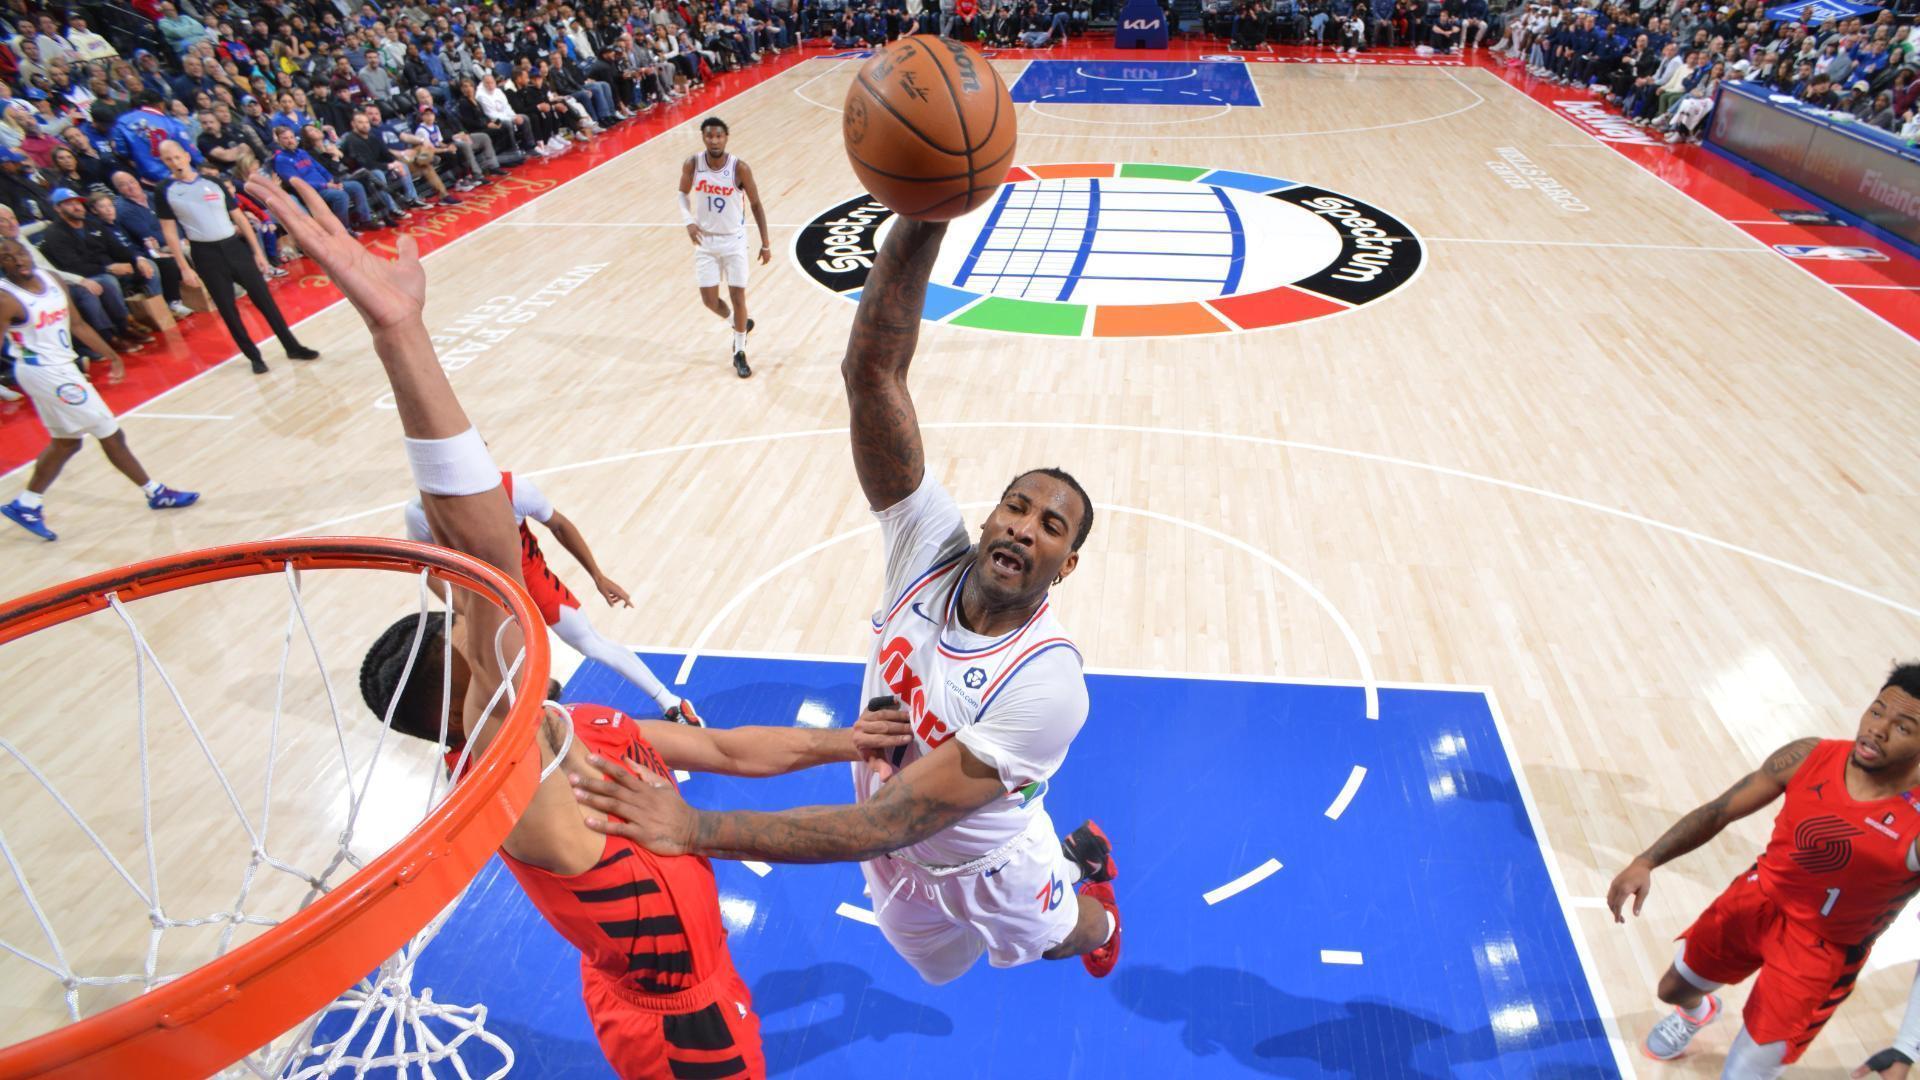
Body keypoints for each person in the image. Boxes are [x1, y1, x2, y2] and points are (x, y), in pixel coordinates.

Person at [243, 171, 906, 1080]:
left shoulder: (585, 726)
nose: (498, 648)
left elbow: (734, 753)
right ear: (459, 709)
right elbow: (486, 570)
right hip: (680, 1037)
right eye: (473, 661)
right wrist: (403, 338)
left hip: (689, 977)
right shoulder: (510, 788)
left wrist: (847, 746)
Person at [573, 215, 1123, 988]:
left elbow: (887, 818)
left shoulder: (1048, 683)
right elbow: (873, 376)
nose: (1024, 527)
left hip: (986, 860)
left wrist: (697, 827)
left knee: (1063, 936)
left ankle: (1087, 889)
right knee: (941, 973)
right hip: (895, 859)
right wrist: (924, 219)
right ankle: (1070, 858)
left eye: (1051, 527)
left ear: (1065, 565)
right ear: (991, 513)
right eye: (1016, 506)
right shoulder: (928, 549)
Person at [1607, 666, 1920, 1077]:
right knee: (1673, 990)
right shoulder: (1810, 754)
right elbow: (1719, 811)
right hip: (1758, 897)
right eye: (1876, 712)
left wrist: (1906, 1046)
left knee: (1743, 1074)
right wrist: (1647, 860)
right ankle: (1696, 1014)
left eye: (1904, 727)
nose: (1878, 730)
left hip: (1822, 951)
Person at [402, 473, 700, 724]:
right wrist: (462, 608)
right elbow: (430, 567)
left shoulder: (513, 488)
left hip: (531, 580)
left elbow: (559, 525)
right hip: (487, 594)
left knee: (591, 643)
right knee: (502, 666)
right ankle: (527, 720)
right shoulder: (418, 513)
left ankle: (671, 702)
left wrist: (598, 575)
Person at [0, 237, 197, 542]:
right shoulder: (6, 298)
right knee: (110, 432)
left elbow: (77, 324)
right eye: (8, 258)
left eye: (20, 253)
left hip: (62, 366)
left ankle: (26, 504)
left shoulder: (50, 278)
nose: (19, 260)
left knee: (67, 442)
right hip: (44, 372)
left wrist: (112, 356)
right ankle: (155, 492)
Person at [154, 141, 318, 374]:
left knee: (265, 300)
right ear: (164, 162)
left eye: (177, 157)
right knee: (228, 309)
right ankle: (254, 356)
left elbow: (239, 218)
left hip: (233, 246)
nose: (175, 162)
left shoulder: (213, 182)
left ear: (186, 156)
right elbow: (169, 231)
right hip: (205, 253)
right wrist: (184, 267)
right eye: (168, 159)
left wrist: (258, 253)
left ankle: (292, 346)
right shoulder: (165, 191)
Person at [678, 117, 769, 379]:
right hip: (705, 241)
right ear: (703, 138)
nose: (714, 140)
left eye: (719, 136)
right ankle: (736, 324)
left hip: (733, 240)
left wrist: (765, 243)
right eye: (710, 136)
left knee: (738, 296)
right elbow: (682, 194)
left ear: (726, 138)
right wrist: (688, 222)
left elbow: (756, 205)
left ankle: (739, 351)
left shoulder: (739, 168)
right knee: (708, 300)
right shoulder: (693, 164)